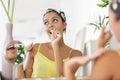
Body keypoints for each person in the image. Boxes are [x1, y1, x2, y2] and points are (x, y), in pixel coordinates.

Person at [64, 0, 120, 79]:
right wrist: (100, 48)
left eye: (110, 17)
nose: (110, 24)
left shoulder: (111, 60)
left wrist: (68, 69)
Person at [24, 8, 82, 78]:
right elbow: (24, 78)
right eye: (46, 23)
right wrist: (19, 56)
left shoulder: (76, 54)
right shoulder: (35, 48)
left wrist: (55, 45)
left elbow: (62, 77)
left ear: (64, 25)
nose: (50, 25)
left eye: (54, 20)